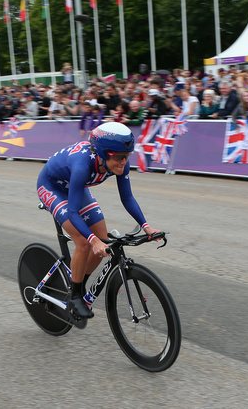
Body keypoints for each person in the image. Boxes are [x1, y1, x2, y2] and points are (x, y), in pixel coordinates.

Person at [36, 122, 161, 318]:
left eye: (127, 156)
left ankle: (77, 284)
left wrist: (146, 227)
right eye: (120, 157)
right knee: (85, 243)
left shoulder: (117, 162)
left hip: (76, 186)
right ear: (104, 153)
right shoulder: (82, 165)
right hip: (52, 186)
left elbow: (127, 197)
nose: (124, 162)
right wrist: (92, 241)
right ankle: (74, 297)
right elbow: (73, 212)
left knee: (103, 241)